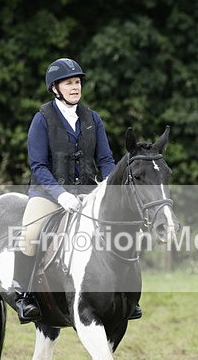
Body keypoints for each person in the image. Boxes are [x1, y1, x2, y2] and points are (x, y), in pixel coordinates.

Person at [12, 57, 142, 323]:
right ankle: (24, 295)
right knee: (30, 233)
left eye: (78, 82)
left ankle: (127, 296)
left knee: (122, 229)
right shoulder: (42, 119)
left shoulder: (93, 119)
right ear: (55, 88)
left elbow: (105, 160)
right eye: (69, 83)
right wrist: (61, 194)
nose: (75, 87)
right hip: (48, 194)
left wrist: (108, 186)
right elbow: (38, 165)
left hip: (88, 192)